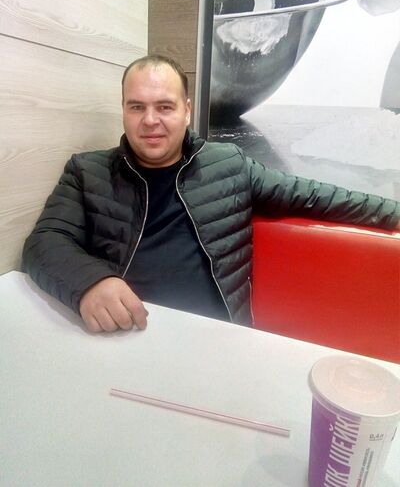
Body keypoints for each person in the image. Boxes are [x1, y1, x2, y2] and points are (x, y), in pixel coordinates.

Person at [22, 55, 400, 333]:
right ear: (123, 109)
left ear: (186, 111)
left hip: (221, 341)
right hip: (127, 332)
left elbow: (315, 196)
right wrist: (91, 282)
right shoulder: (87, 172)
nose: (150, 120)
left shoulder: (229, 164)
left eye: (164, 107)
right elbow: (44, 242)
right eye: (137, 107)